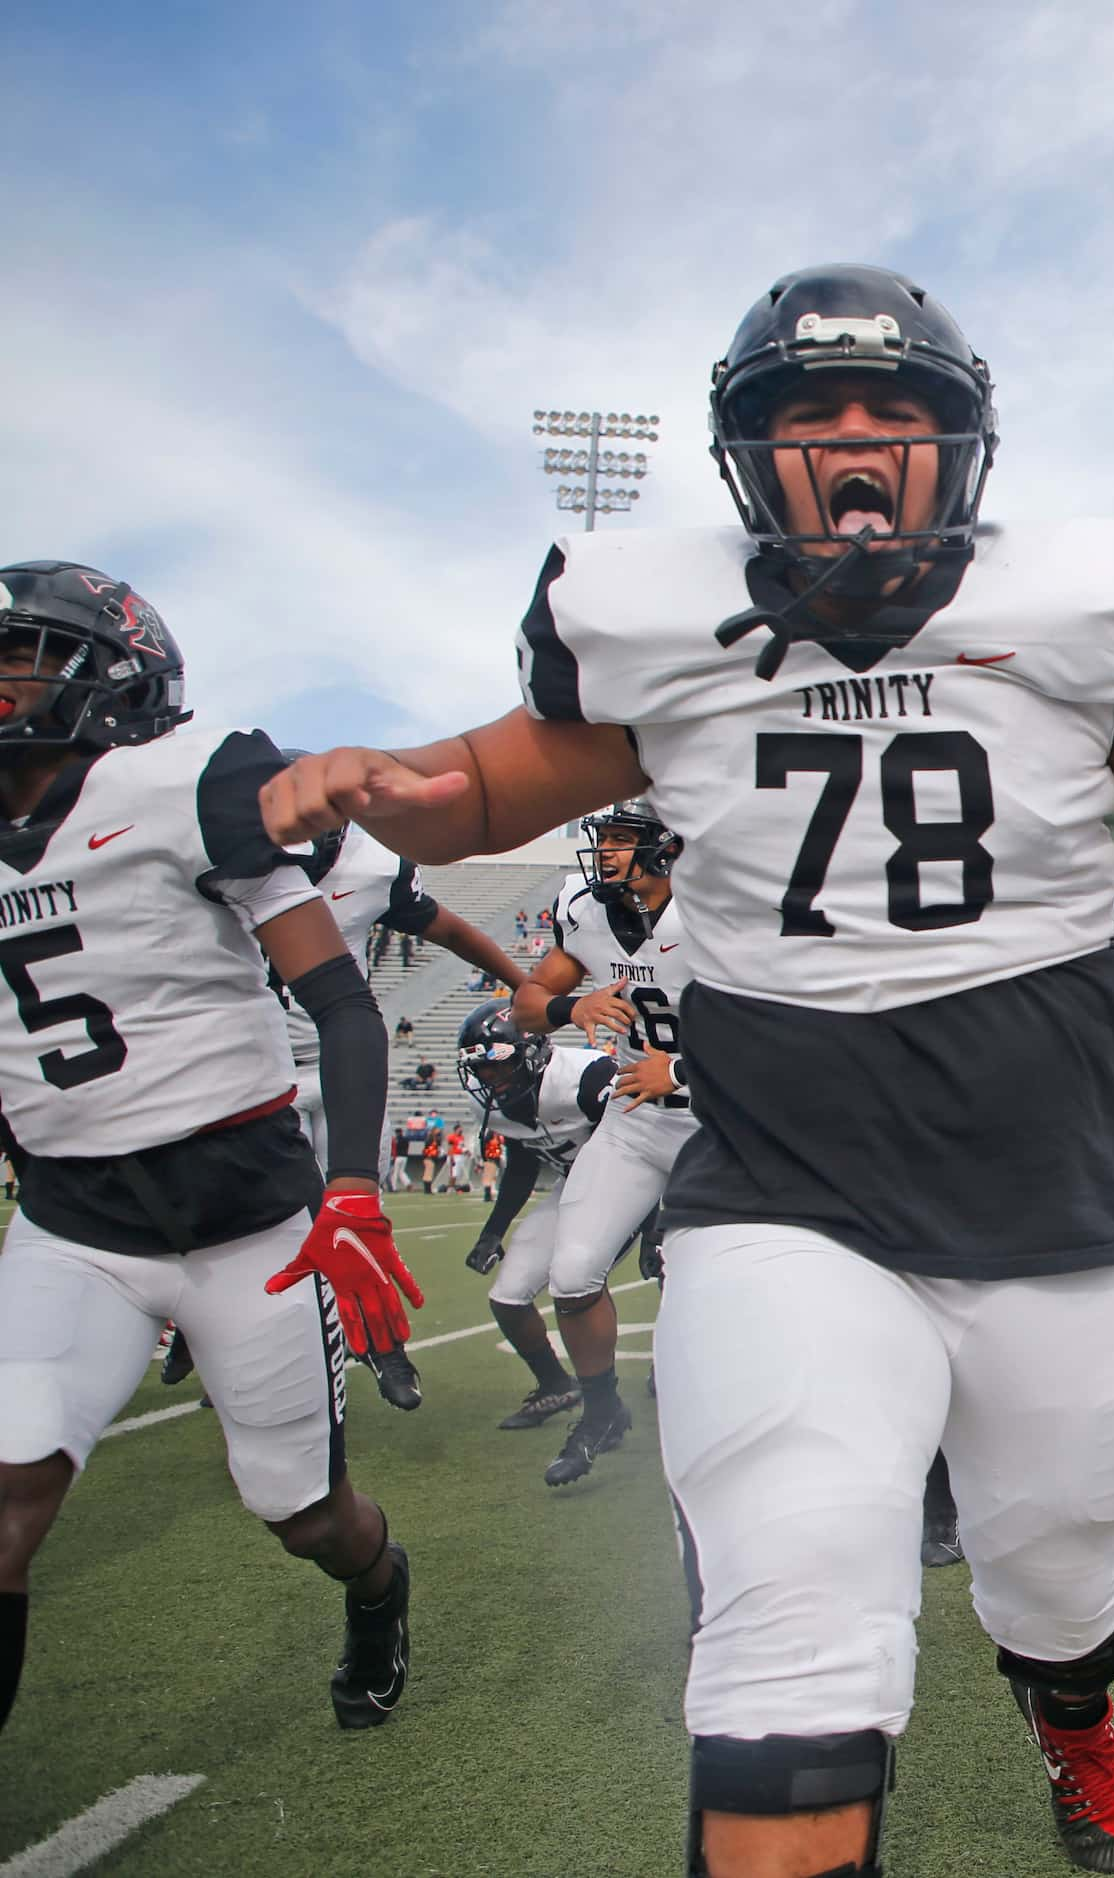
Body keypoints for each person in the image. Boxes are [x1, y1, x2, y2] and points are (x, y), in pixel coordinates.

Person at [263, 261, 1114, 1878]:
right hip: (788, 1186)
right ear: (747, 452)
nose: (855, 443)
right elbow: (483, 796)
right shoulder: (654, 616)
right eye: (811, 413)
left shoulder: (1079, 598)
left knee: (1065, 1577)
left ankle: (1070, 1716)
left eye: (895, 411)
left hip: (1046, 1186)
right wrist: (374, 786)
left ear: (960, 443)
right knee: (783, 1626)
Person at [0, 563, 415, 1738]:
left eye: (22, 654)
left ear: (112, 672)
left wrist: (351, 1194)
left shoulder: (186, 782)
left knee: (305, 1517)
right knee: (8, 1500)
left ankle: (380, 1594)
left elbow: (340, 1000)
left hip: (250, 1230)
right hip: (75, 1227)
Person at [264, 798, 529, 1413]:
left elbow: (451, 929)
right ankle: (215, 1342)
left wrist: (523, 984)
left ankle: (383, 1348)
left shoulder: (372, 867)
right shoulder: (225, 861)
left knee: (356, 1217)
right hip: (254, 1066)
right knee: (258, 1222)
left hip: (342, 1066)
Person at [510, 798, 697, 1490]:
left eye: (623, 838)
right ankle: (600, 1411)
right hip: (635, 1120)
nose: (607, 851)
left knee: (704, 1285)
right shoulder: (586, 911)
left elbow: (779, 1022)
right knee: (573, 1274)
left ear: (668, 846)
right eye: (606, 838)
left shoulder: (717, 905)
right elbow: (525, 1003)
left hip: (727, 1122)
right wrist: (573, 1007)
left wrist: (679, 1069)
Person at [455, 997, 616, 1430]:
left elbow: (647, 1149)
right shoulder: (499, 1102)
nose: (490, 1079)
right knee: (508, 1297)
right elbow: (524, 1162)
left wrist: (655, 1223)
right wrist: (493, 1231)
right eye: (481, 1069)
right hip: (576, 1188)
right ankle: (555, 1384)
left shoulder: (588, 1075)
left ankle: (627, 1395)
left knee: (599, 1278)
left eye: (498, 1065)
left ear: (534, 1053)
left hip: (637, 1183)